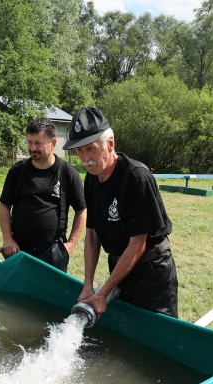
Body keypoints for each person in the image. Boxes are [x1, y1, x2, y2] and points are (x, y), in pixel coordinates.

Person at [63, 106, 178, 318]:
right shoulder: (91, 179)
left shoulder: (136, 177)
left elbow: (138, 244)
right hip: (118, 266)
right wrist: (88, 285)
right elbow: (92, 233)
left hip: (151, 272)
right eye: (79, 150)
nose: (85, 158)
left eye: (90, 148)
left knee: (158, 338)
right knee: (126, 331)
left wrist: (103, 292)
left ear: (110, 144)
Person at [0, 117, 86, 272]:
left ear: (52, 144)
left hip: (53, 253)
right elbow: (4, 206)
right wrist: (7, 238)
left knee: (49, 296)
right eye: (29, 142)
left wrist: (71, 244)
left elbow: (81, 211)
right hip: (18, 250)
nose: (32, 148)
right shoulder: (17, 171)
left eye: (38, 143)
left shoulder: (68, 174)